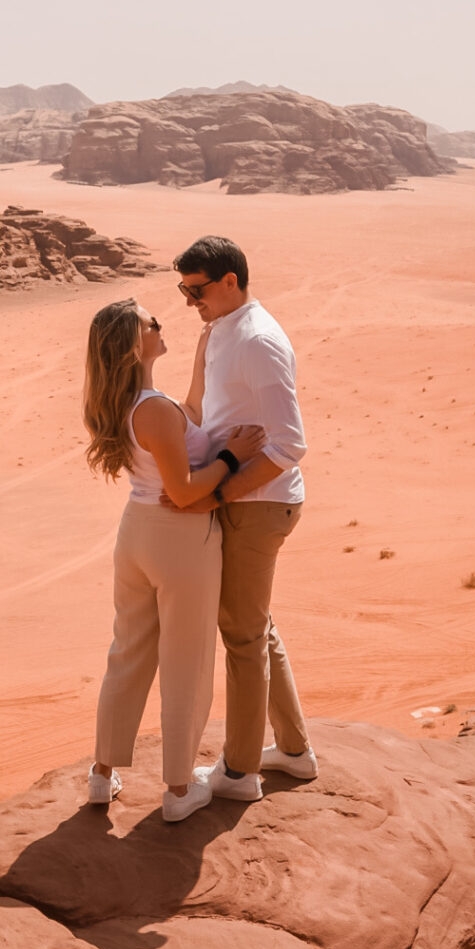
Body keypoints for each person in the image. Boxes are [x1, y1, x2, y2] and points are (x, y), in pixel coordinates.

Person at [83, 298, 263, 821]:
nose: (161, 325)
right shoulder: (153, 410)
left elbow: (190, 418)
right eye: (150, 323)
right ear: (131, 344)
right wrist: (234, 457)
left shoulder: (131, 403)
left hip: (135, 535)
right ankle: (180, 790)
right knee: (187, 660)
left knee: (129, 652)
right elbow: (184, 492)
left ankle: (101, 775)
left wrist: (202, 356)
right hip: (180, 541)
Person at [172, 235, 317, 802]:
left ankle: (237, 773)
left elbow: (288, 445)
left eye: (197, 290)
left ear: (230, 281)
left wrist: (220, 493)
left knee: (242, 635)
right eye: (183, 291)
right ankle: (295, 751)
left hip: (258, 503)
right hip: (240, 499)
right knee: (255, 626)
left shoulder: (259, 340)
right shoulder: (219, 331)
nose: (189, 302)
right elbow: (197, 409)